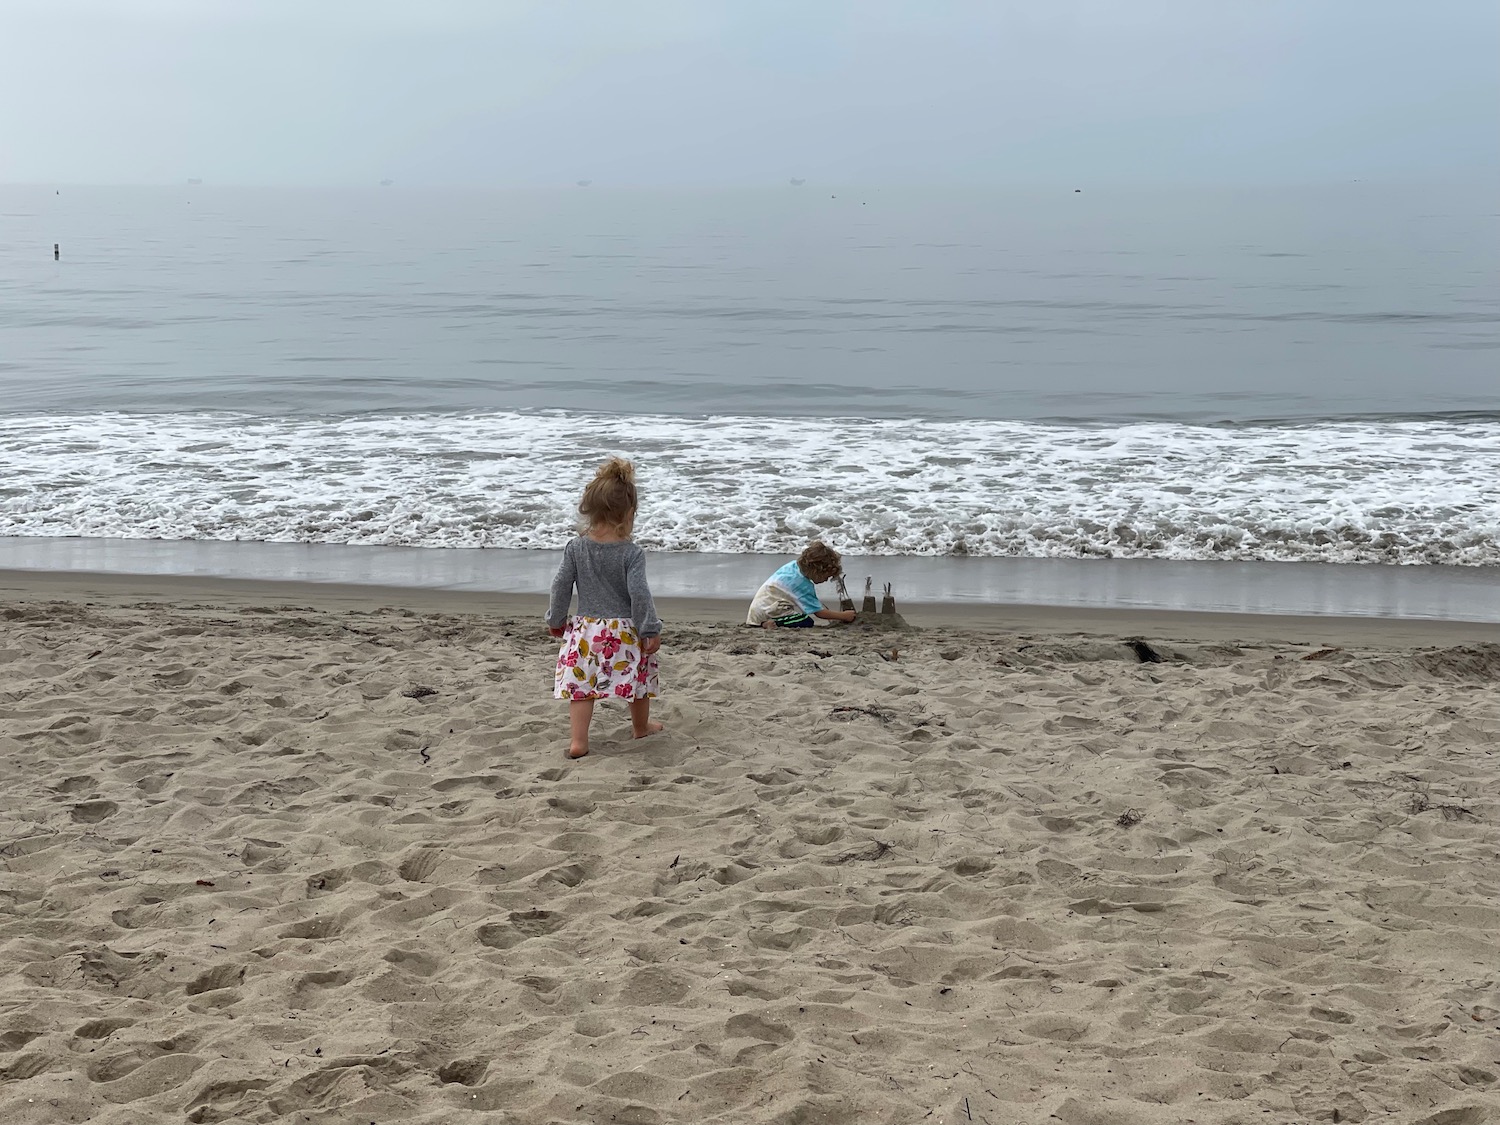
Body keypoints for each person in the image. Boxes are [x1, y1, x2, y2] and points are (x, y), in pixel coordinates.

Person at [546, 458, 663, 758]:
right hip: (622, 634)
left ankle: (579, 741)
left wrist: (556, 618)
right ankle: (641, 727)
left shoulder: (576, 547)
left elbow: (561, 585)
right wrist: (649, 628)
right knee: (637, 684)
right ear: (628, 514)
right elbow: (639, 594)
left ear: (590, 510)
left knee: (582, 688)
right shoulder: (631, 553)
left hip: (585, 631)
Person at [746, 541, 857, 628]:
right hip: (768, 612)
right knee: (806, 621)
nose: (826, 580)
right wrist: (843, 616)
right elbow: (819, 613)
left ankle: (765, 622)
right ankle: (773, 623)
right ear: (816, 571)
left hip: (758, 609)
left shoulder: (792, 567)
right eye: (826, 576)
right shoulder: (802, 584)